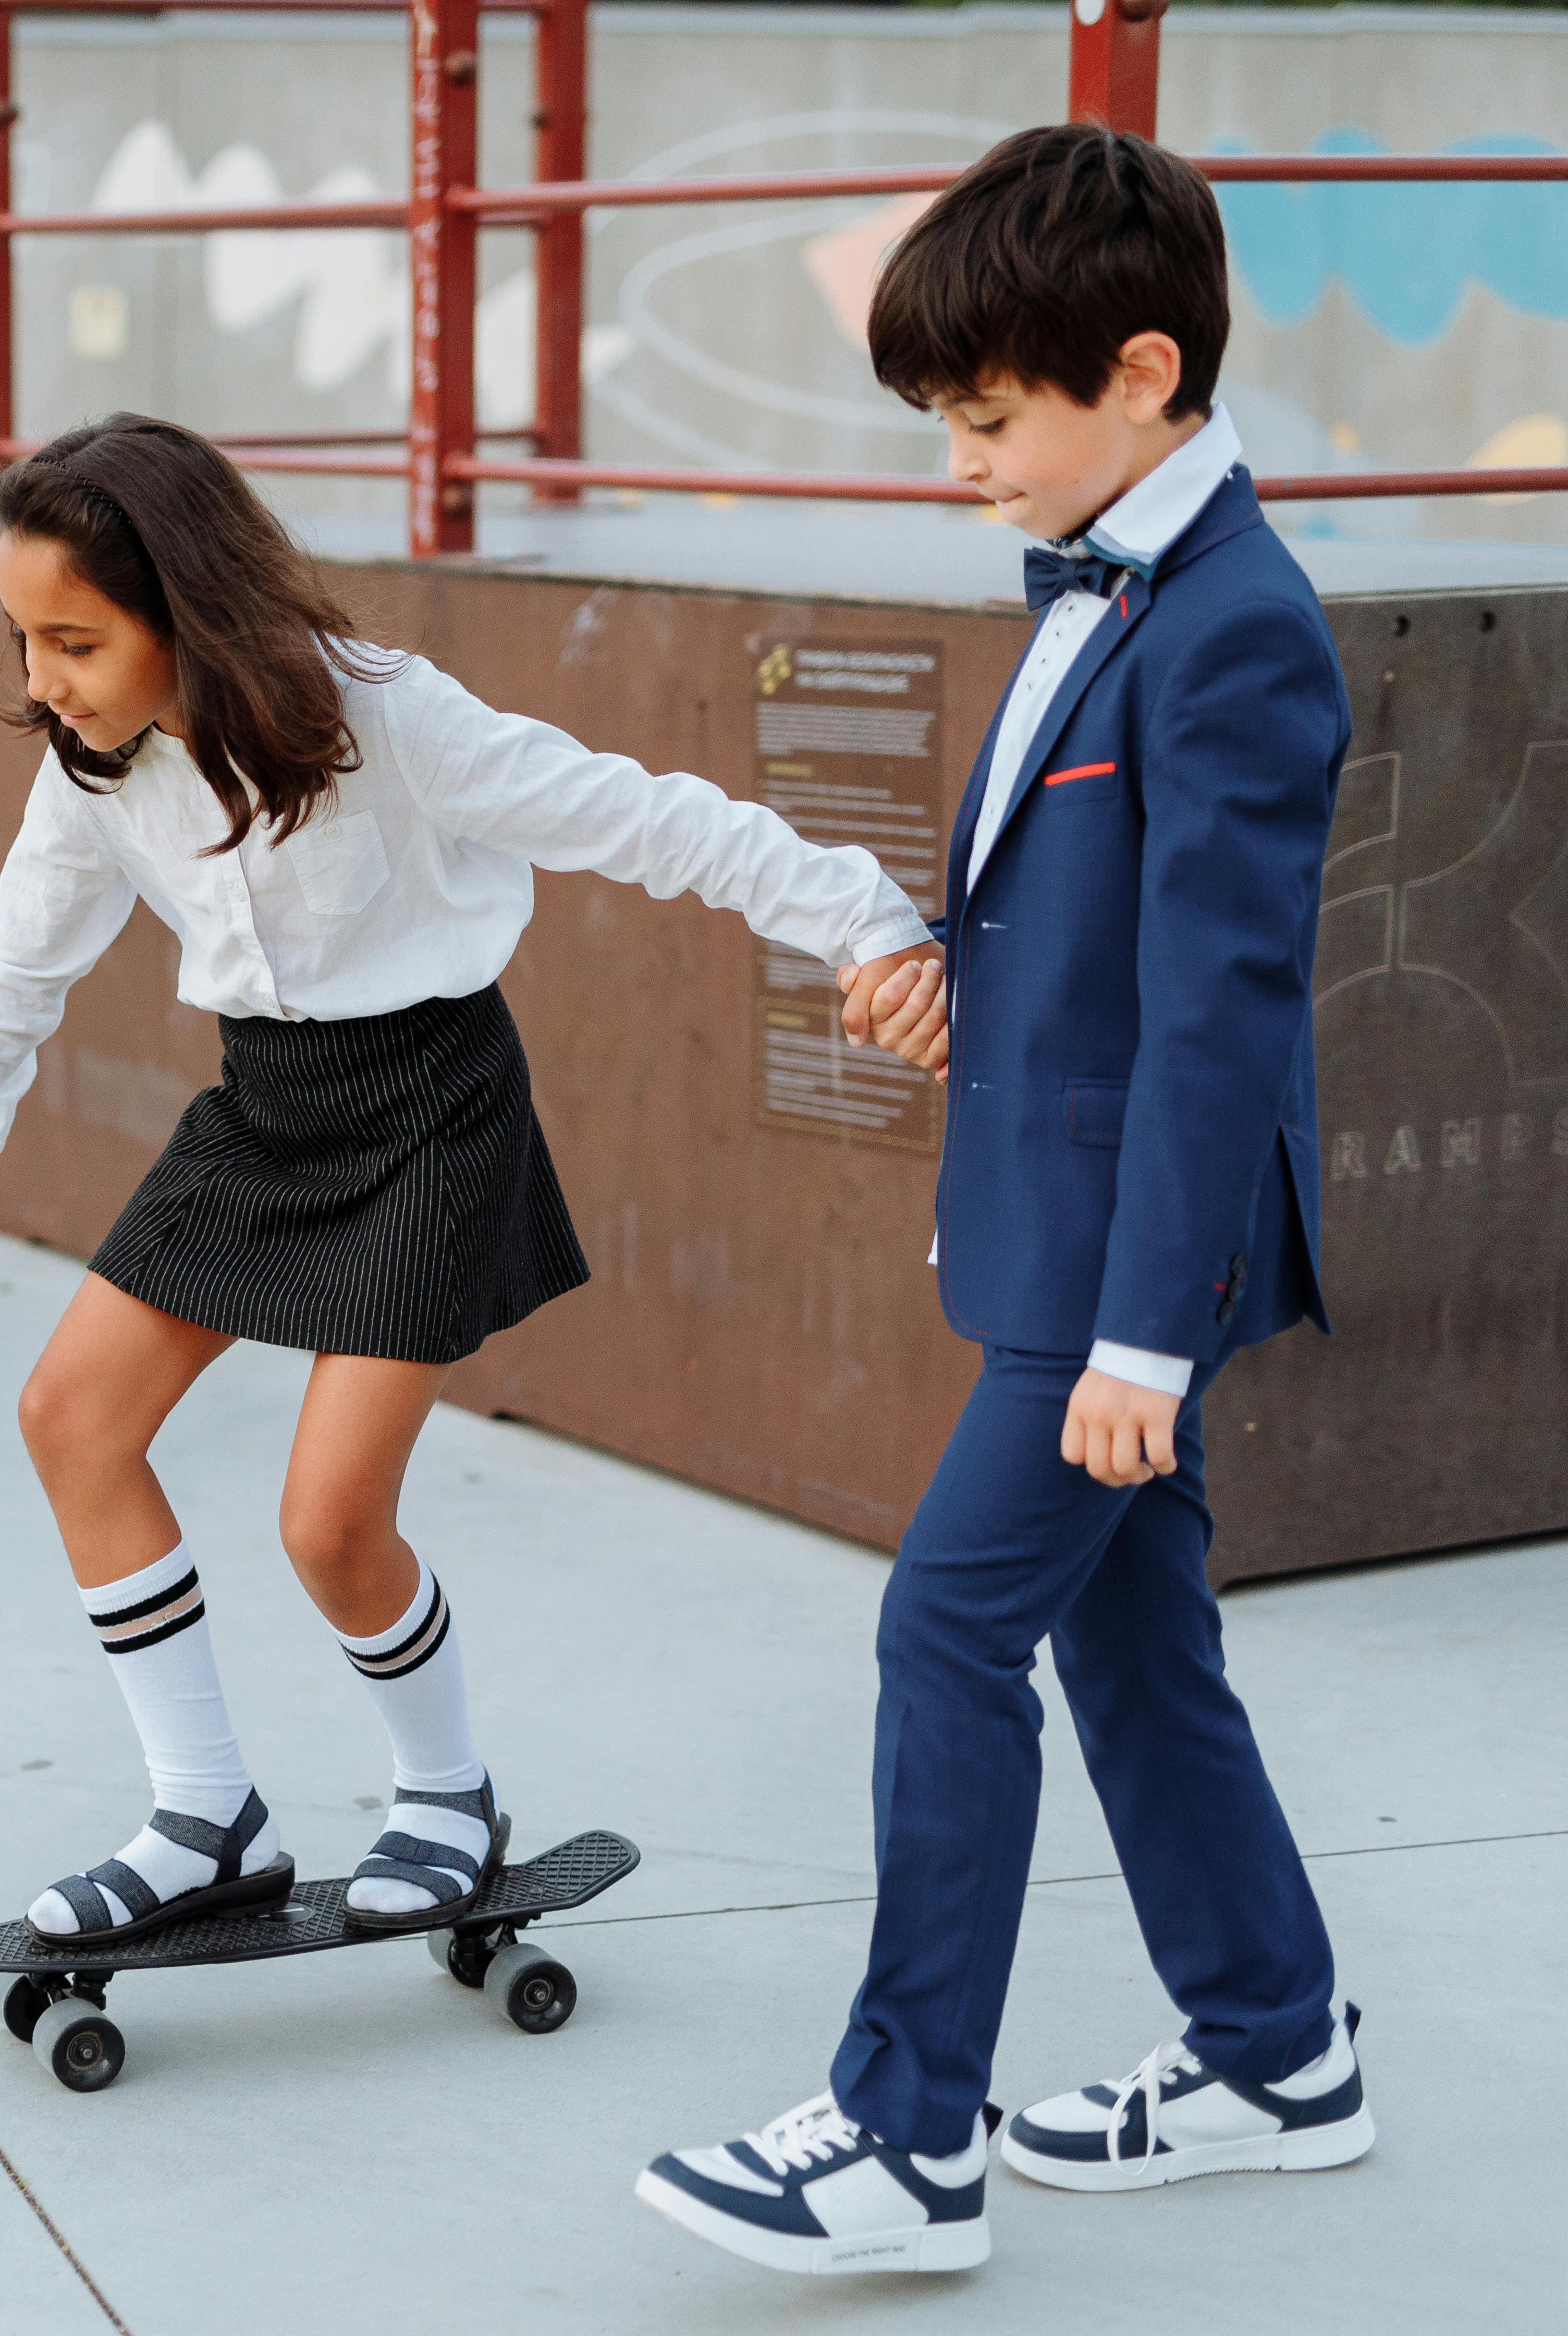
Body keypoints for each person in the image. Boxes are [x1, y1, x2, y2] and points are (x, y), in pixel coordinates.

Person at [0, 412, 938, 1953]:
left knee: (330, 1524)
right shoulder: (94, 771)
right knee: (72, 1419)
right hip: (266, 1108)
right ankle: (206, 1816)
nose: (41, 683)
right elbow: (14, 971)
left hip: (434, 1113)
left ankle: (449, 1793)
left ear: (191, 613)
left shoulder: (384, 718)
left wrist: (867, 924)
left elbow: (648, 819)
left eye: (76, 642)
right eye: (24, 641)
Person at [638, 124, 1368, 2279]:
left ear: (1142, 372)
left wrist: (1148, 1330)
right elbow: (1109, 932)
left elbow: (1223, 1010)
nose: (960, 462)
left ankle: (905, 2135)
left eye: (985, 418)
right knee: (1138, 1653)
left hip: (1125, 1257)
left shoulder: (1236, 629)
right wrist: (968, 980)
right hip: (1076, 1214)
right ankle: (1278, 2045)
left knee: (948, 1626)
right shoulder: (1112, 577)